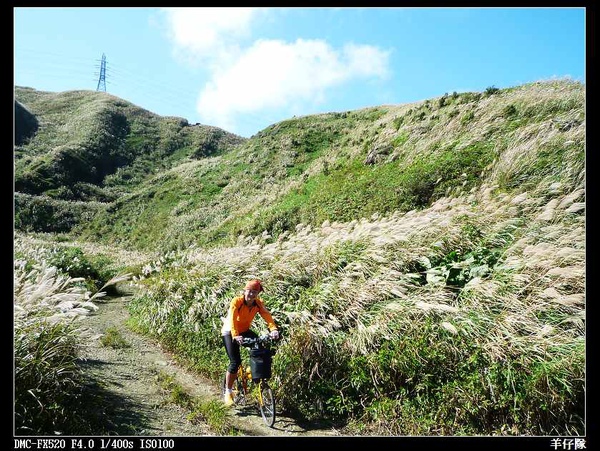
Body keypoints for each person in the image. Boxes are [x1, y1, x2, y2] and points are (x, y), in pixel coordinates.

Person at [221, 279, 279, 406]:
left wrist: (273, 329)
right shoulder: (237, 302)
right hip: (229, 332)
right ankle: (228, 392)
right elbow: (232, 319)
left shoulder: (258, 303)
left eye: (255, 292)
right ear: (245, 291)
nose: (251, 295)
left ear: (258, 294)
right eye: (250, 291)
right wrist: (235, 335)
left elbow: (266, 315)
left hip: (244, 331)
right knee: (235, 362)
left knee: (260, 347)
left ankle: (250, 371)